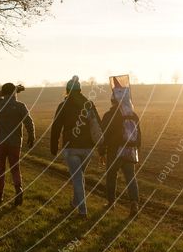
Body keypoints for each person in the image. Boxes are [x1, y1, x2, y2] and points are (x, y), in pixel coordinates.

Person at [50, 75, 102, 217]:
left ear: (67, 90)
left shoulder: (63, 106)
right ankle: (74, 203)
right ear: (80, 91)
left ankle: (82, 210)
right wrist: (102, 149)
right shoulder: (89, 104)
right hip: (88, 149)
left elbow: (56, 127)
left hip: (71, 147)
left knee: (78, 179)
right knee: (80, 176)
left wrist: (53, 147)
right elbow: (98, 126)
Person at [98, 93, 142, 217]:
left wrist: (101, 152)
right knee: (130, 178)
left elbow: (103, 135)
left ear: (113, 101)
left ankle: (111, 202)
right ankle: (134, 203)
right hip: (130, 151)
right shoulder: (133, 115)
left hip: (114, 151)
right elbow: (139, 136)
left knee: (111, 176)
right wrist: (137, 150)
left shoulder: (109, 115)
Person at [0, 82, 35, 206]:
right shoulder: (20, 106)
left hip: (1, 142)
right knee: (15, 168)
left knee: (0, 169)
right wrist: (31, 135)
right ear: (14, 93)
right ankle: (18, 189)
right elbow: (29, 121)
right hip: (15, 142)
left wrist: (14, 89)